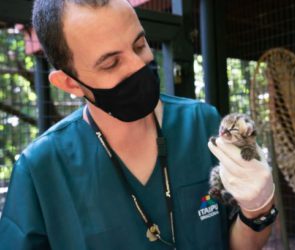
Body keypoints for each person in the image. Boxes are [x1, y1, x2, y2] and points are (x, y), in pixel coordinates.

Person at [0, 0, 277, 249]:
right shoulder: (41, 169)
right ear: (71, 83)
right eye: (111, 63)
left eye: (139, 45)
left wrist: (257, 208)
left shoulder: (200, 124)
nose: (137, 65)